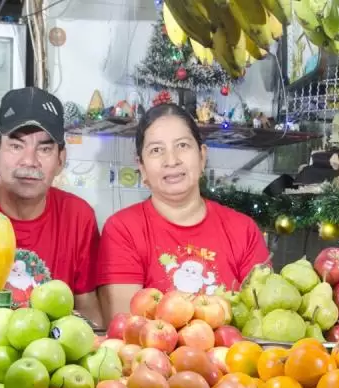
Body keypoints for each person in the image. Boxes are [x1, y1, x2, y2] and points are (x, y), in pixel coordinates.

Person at [96, 103, 270, 323]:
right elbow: (127, 330)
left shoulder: (243, 230)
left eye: (182, 145)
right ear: (142, 167)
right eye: (156, 150)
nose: (172, 160)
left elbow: (259, 321)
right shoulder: (123, 230)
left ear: (202, 156)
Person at [0, 87, 103, 325]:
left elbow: (88, 309)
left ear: (61, 160)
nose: (29, 161)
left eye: (44, 149)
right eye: (16, 145)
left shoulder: (78, 217)